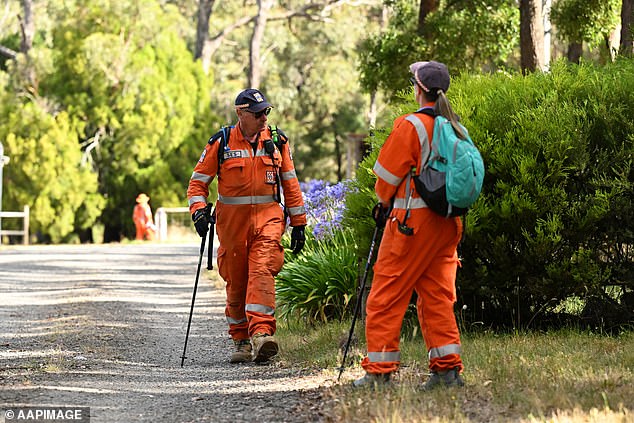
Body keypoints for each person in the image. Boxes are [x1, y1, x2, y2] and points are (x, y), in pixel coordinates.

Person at [353, 61, 465, 390]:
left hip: (411, 227)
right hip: (448, 225)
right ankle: (447, 372)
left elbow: (385, 179)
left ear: (419, 89)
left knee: (385, 296)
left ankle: (380, 373)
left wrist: (384, 201)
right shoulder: (455, 126)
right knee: (437, 297)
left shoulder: (410, 126)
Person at [186, 88, 307, 364]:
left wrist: (299, 223)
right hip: (232, 226)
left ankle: (263, 334)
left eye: (266, 112)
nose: (263, 118)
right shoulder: (222, 142)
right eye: (257, 113)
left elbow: (290, 183)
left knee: (262, 270)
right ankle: (241, 339)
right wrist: (199, 211)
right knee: (237, 281)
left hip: (268, 220)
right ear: (240, 113)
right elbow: (197, 183)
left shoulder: (277, 141)